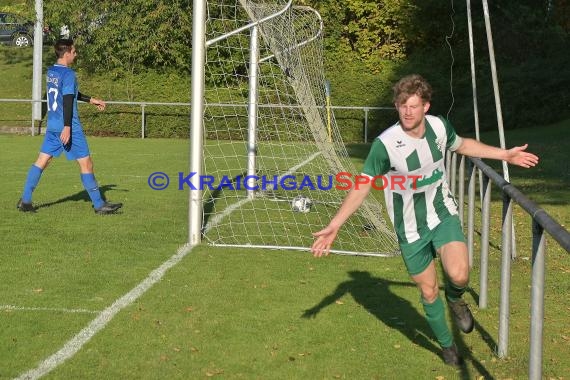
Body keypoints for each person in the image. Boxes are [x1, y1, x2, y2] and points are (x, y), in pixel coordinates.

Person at [310, 74, 539, 366]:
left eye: (414, 106)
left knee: (459, 274)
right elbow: (363, 184)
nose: (407, 111)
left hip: (442, 213)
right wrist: (335, 224)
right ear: (397, 106)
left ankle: (456, 300)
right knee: (429, 290)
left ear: (426, 107)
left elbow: (464, 145)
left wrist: (504, 155)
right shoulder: (386, 144)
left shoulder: (439, 127)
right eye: (402, 105)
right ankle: (446, 345)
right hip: (410, 229)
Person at [17, 38, 122, 215]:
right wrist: (67, 127)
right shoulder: (69, 74)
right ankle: (99, 205)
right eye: (74, 52)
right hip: (69, 126)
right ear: (66, 54)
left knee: (42, 161)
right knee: (86, 163)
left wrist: (91, 100)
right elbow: (67, 100)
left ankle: (25, 201)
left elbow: (70, 93)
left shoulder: (52, 72)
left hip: (53, 125)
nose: (76, 54)